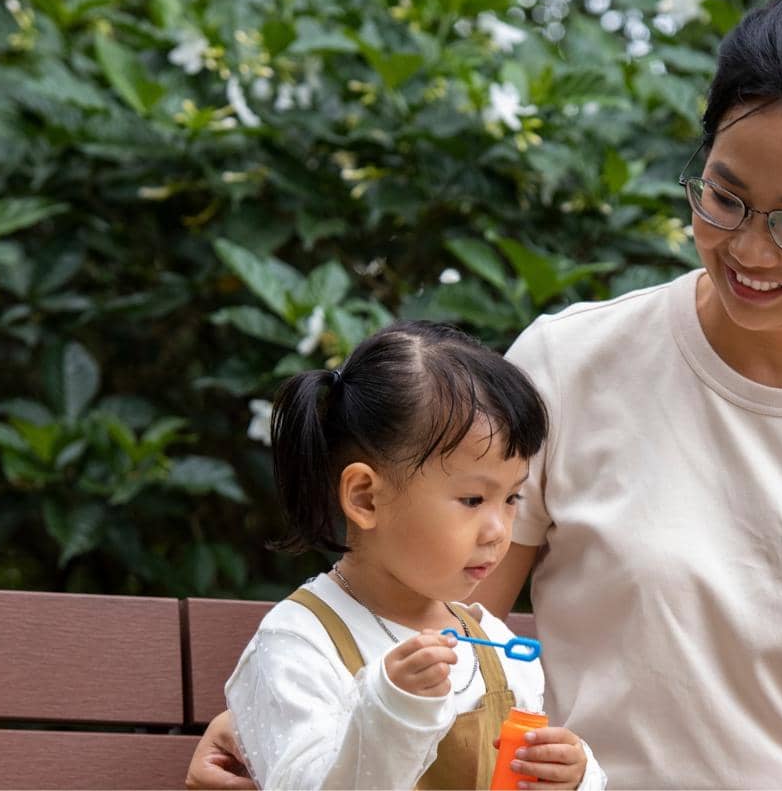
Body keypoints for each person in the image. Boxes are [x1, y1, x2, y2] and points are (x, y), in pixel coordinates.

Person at [188, 0, 782, 787]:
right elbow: (429, 606)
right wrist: (271, 716)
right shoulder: (571, 363)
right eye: (724, 196)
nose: (748, 248)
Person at [215, 320, 606, 790]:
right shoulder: (299, 644)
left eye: (512, 499)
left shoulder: (495, 646)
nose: (498, 531)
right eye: (473, 500)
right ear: (365, 498)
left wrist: (575, 777)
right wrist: (392, 708)